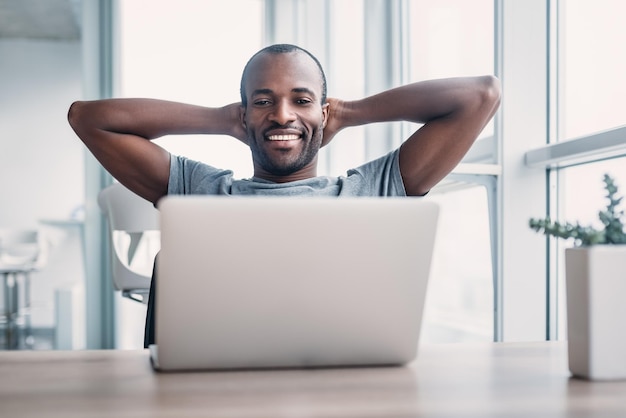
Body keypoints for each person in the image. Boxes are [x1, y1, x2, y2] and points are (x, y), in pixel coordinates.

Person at [68, 44, 501, 347]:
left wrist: (348, 113)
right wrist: (226, 120)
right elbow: (89, 118)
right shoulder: (201, 190)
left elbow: (480, 95)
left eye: (301, 99)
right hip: (220, 386)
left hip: (342, 383)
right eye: (263, 102)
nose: (282, 114)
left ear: (323, 111)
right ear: (243, 113)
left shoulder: (372, 190)